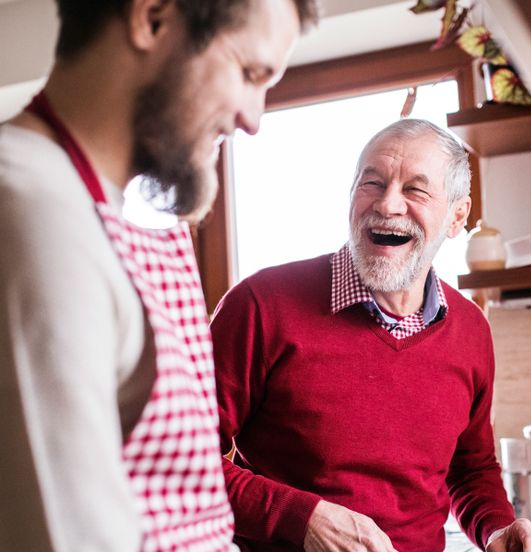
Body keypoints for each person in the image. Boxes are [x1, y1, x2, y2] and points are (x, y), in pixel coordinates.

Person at [0, 0, 317, 549]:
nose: (253, 118)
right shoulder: (32, 209)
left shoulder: (81, 206)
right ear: (152, 18)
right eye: (249, 74)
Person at [210, 119, 531, 552]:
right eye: (372, 183)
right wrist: (303, 519)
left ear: (456, 216)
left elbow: (470, 469)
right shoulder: (260, 306)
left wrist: (496, 528)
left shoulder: (471, 330)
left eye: (415, 190)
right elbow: (182, 460)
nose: (388, 204)